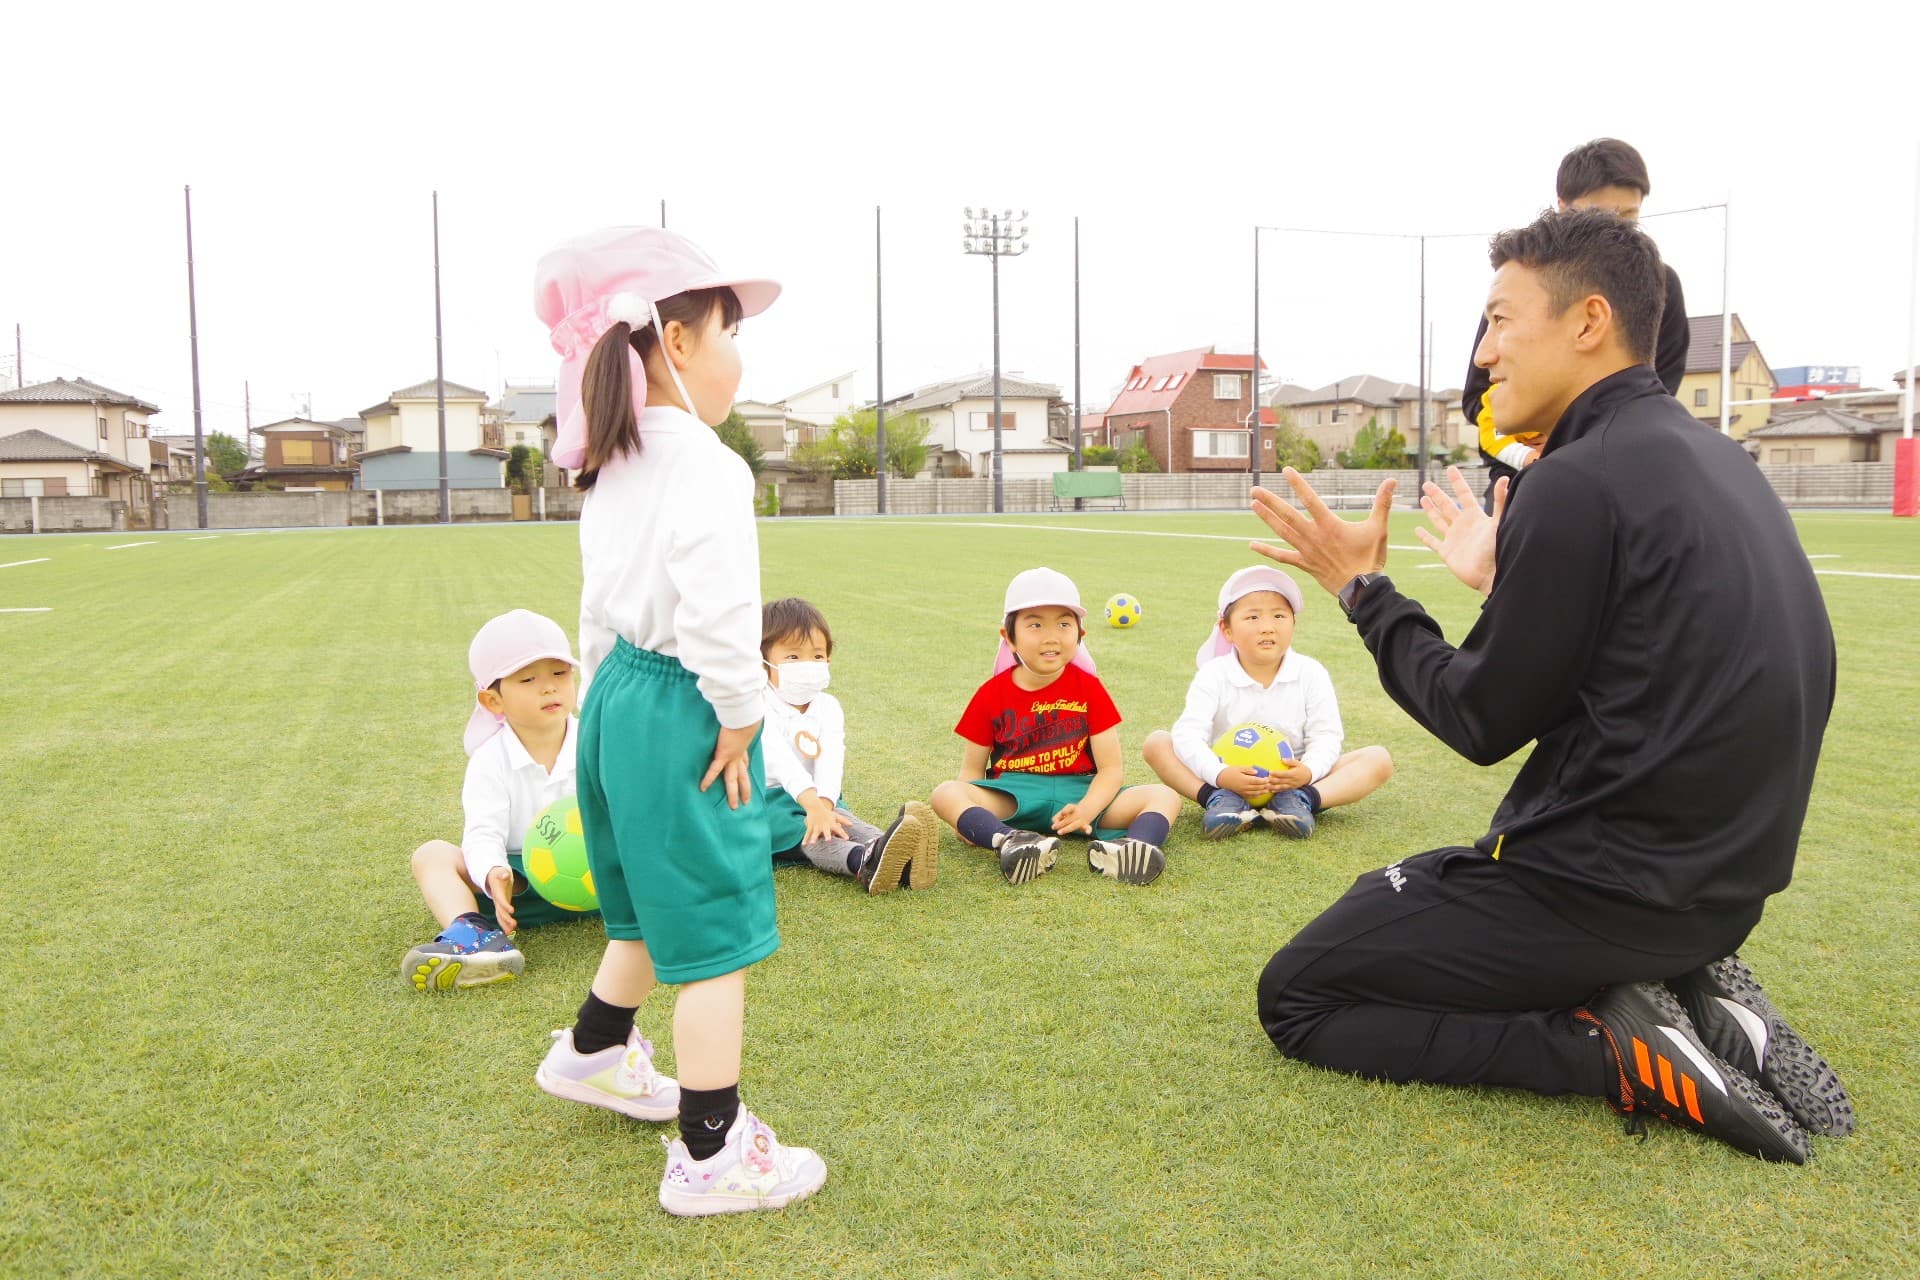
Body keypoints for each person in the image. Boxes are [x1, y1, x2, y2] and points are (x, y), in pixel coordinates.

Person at [1249, 208, 1852, 1164]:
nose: (1484, 354)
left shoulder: (1578, 479)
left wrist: (1363, 592)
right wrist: (1510, 581)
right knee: (1389, 890)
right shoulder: (1718, 462)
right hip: (1725, 887)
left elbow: (1479, 716)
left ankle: (1613, 1050)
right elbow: (1650, 652)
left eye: (1498, 320)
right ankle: (1693, 977)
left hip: (1607, 891)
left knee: (1301, 990)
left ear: (1588, 322)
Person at [528, 226, 826, 1216]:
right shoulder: (703, 462)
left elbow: (596, 605)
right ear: (676, 341)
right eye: (730, 331)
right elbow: (717, 616)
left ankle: (594, 1049)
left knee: (648, 909)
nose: (740, 356)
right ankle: (712, 1151)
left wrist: (593, 714)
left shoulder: (611, 461)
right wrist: (740, 716)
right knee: (716, 933)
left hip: (616, 695)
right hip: (683, 701)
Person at [1462, 139, 1691, 509]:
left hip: (1619, 470)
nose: (1616, 231)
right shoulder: (1524, 283)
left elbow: (1660, 388)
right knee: (1500, 561)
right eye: (1598, 215)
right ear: (1562, 209)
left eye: (1629, 218)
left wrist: (1575, 430)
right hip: (1522, 473)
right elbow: (1475, 398)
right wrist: (1530, 429)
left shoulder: (1662, 286)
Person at [928, 567, 1183, 887]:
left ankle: (1133, 849)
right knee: (945, 793)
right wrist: (964, 821)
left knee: (1164, 796)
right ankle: (1011, 842)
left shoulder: (1090, 689)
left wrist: (1087, 810)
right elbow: (971, 770)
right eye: (1035, 624)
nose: (1051, 636)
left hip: (1081, 792)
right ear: (1009, 637)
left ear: (1080, 635)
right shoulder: (990, 694)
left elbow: (1111, 770)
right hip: (1014, 795)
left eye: (1064, 624)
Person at [402, 609, 589, 993]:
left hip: (598, 882)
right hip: (517, 890)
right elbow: (482, 831)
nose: (549, 688)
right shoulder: (490, 760)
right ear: (492, 700)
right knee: (432, 854)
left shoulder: (597, 740)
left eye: (559, 673)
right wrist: (492, 872)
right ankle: (475, 937)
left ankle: (678, 913)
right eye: (528, 679)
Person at [1141, 565, 1392, 840]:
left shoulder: (1311, 673)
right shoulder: (1214, 674)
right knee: (1157, 743)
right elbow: (1189, 734)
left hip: (1291, 780)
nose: (1267, 627)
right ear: (1226, 629)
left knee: (1378, 759)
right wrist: (1221, 775)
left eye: (1279, 616)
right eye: (1252, 617)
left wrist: (1307, 772)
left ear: (1293, 624)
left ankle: (1302, 801)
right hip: (1230, 780)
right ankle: (1219, 801)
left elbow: (1326, 735)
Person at [758, 595, 939, 894]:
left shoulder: (828, 706)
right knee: (812, 833)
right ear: (763, 662)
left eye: (817, 656)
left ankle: (896, 850)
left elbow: (831, 758)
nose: (808, 665)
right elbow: (781, 762)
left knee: (842, 820)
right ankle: (864, 861)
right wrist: (813, 808)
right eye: (793, 657)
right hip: (769, 803)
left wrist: (825, 804)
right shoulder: (758, 704)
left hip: (819, 796)